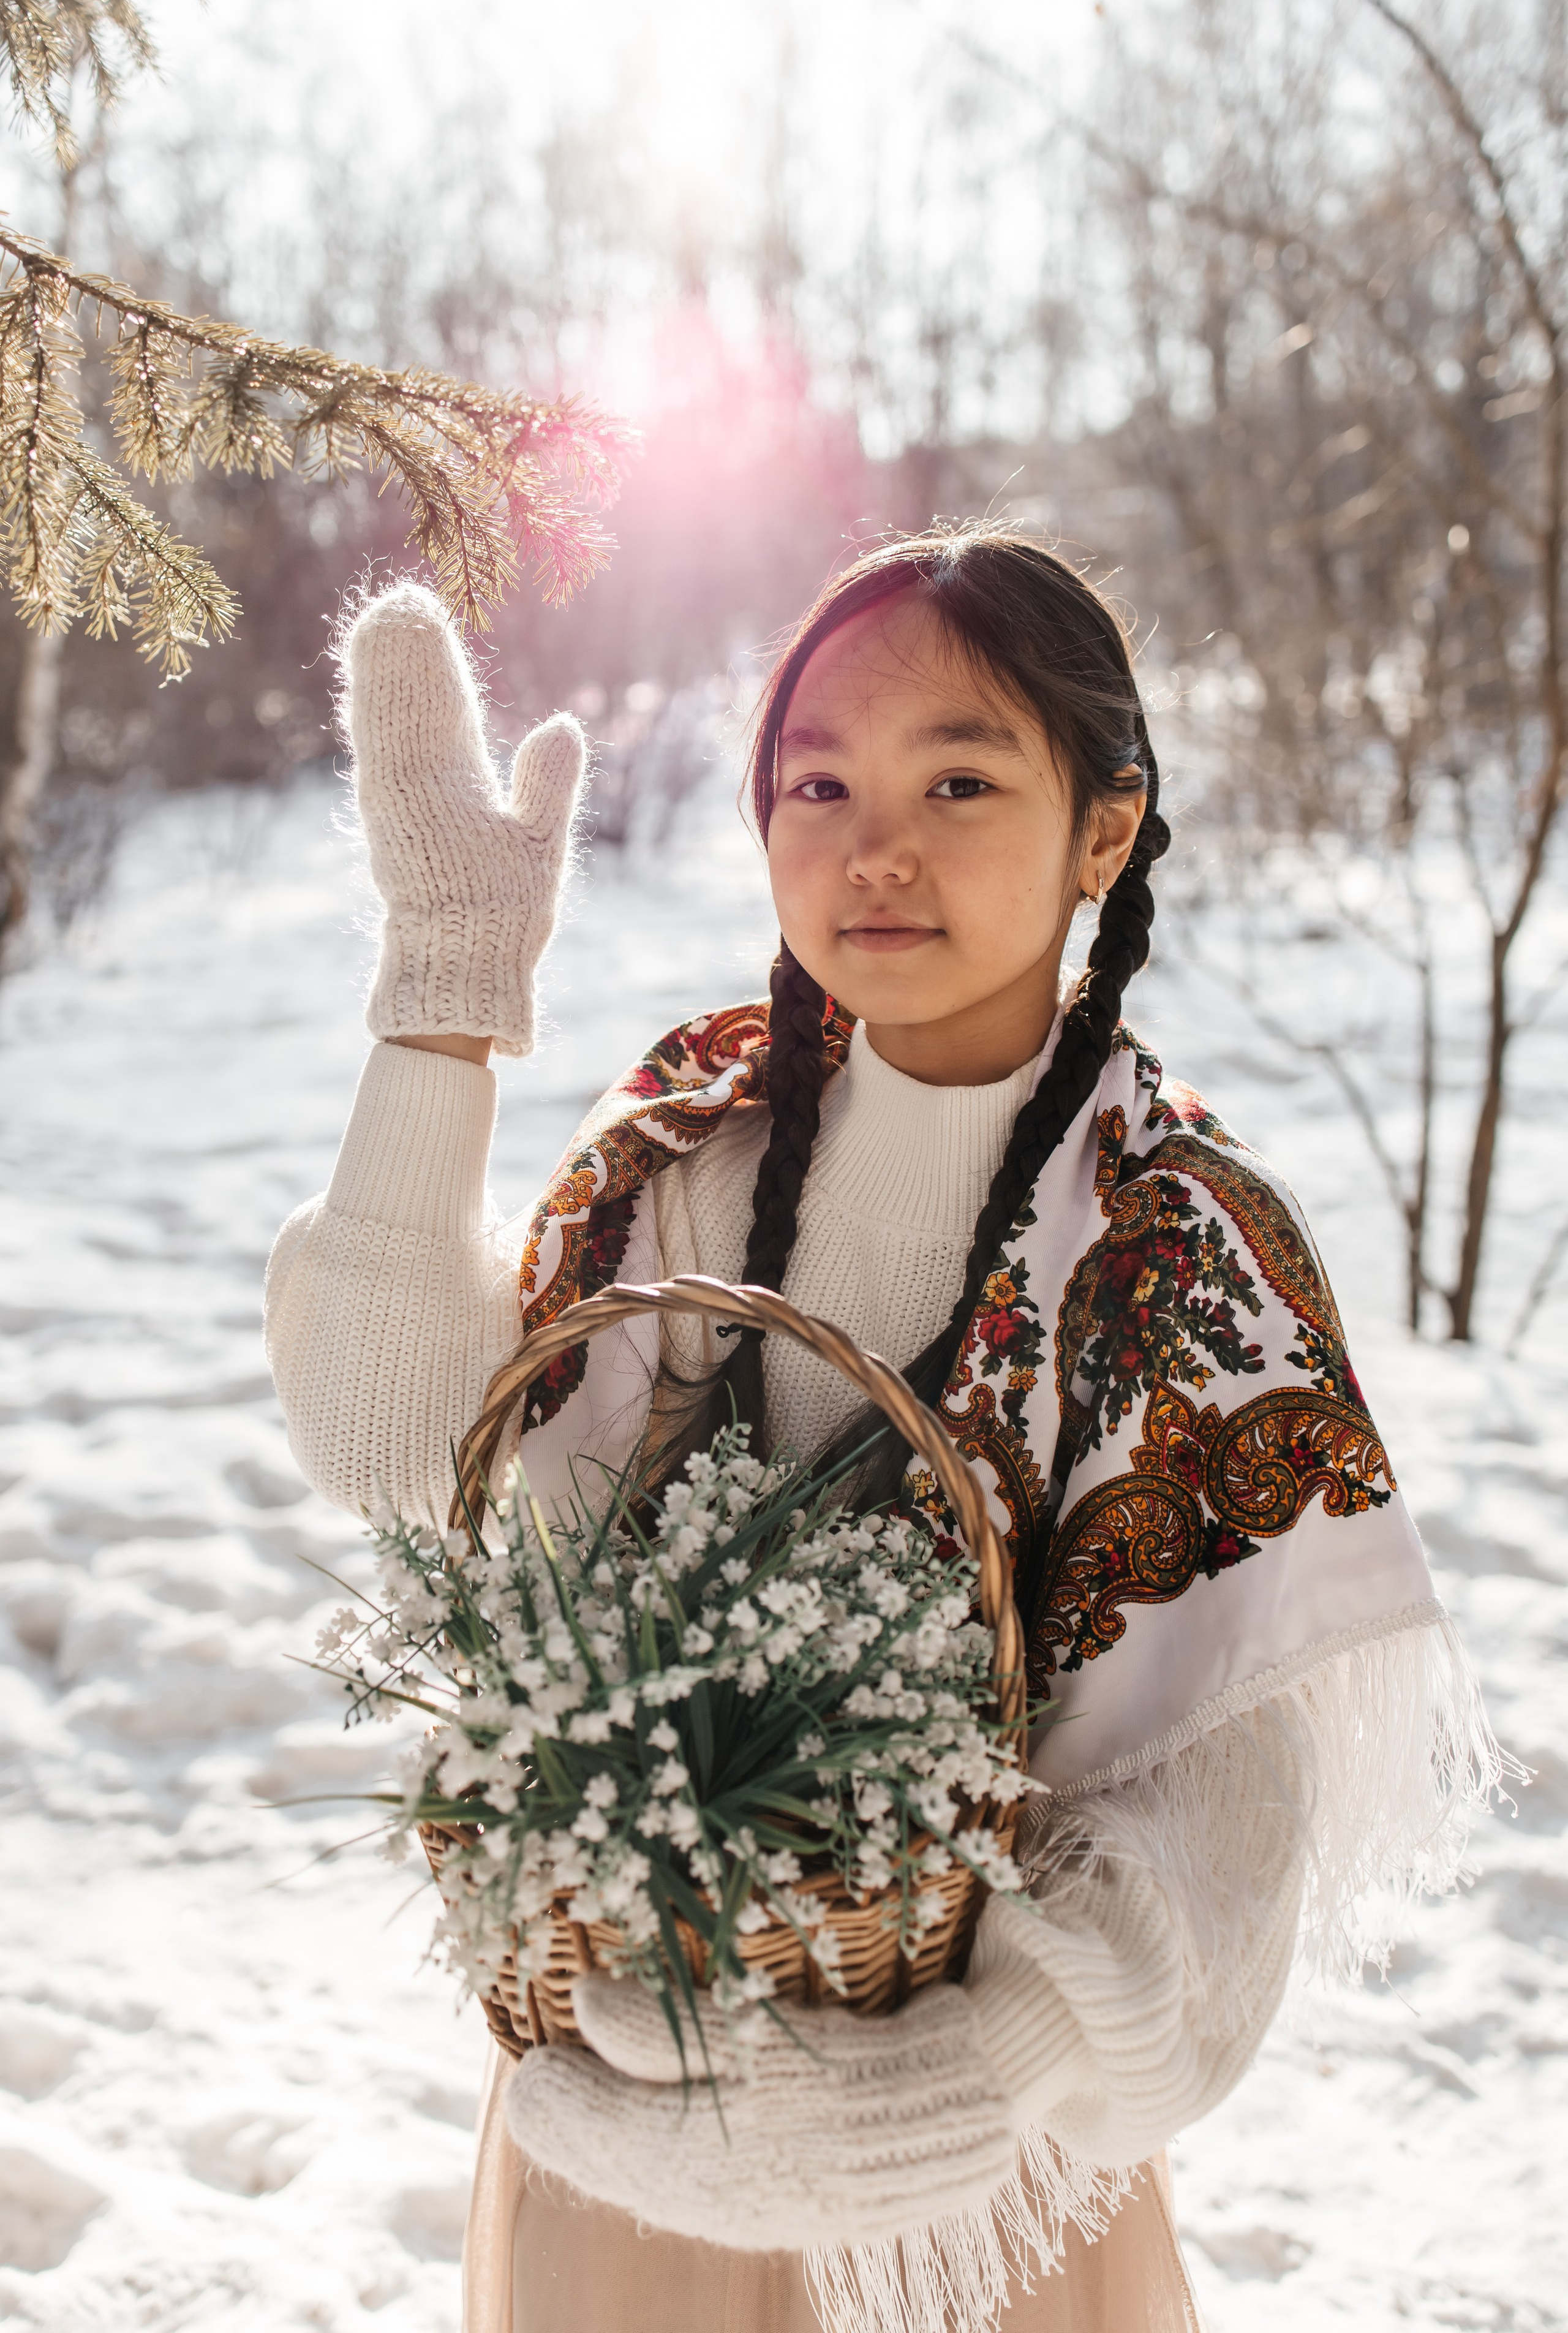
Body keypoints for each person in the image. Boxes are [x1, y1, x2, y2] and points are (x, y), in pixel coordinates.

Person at [265, 527, 1506, 2333]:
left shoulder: (1171, 1239)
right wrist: (443, 1007)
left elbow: (1227, 1812)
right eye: (818, 782)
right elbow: (401, 1457)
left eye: (961, 776)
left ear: (1104, 828)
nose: (875, 845)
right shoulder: (703, 1144)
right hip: (646, 2102)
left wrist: (963, 2081)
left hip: (979, 2186)